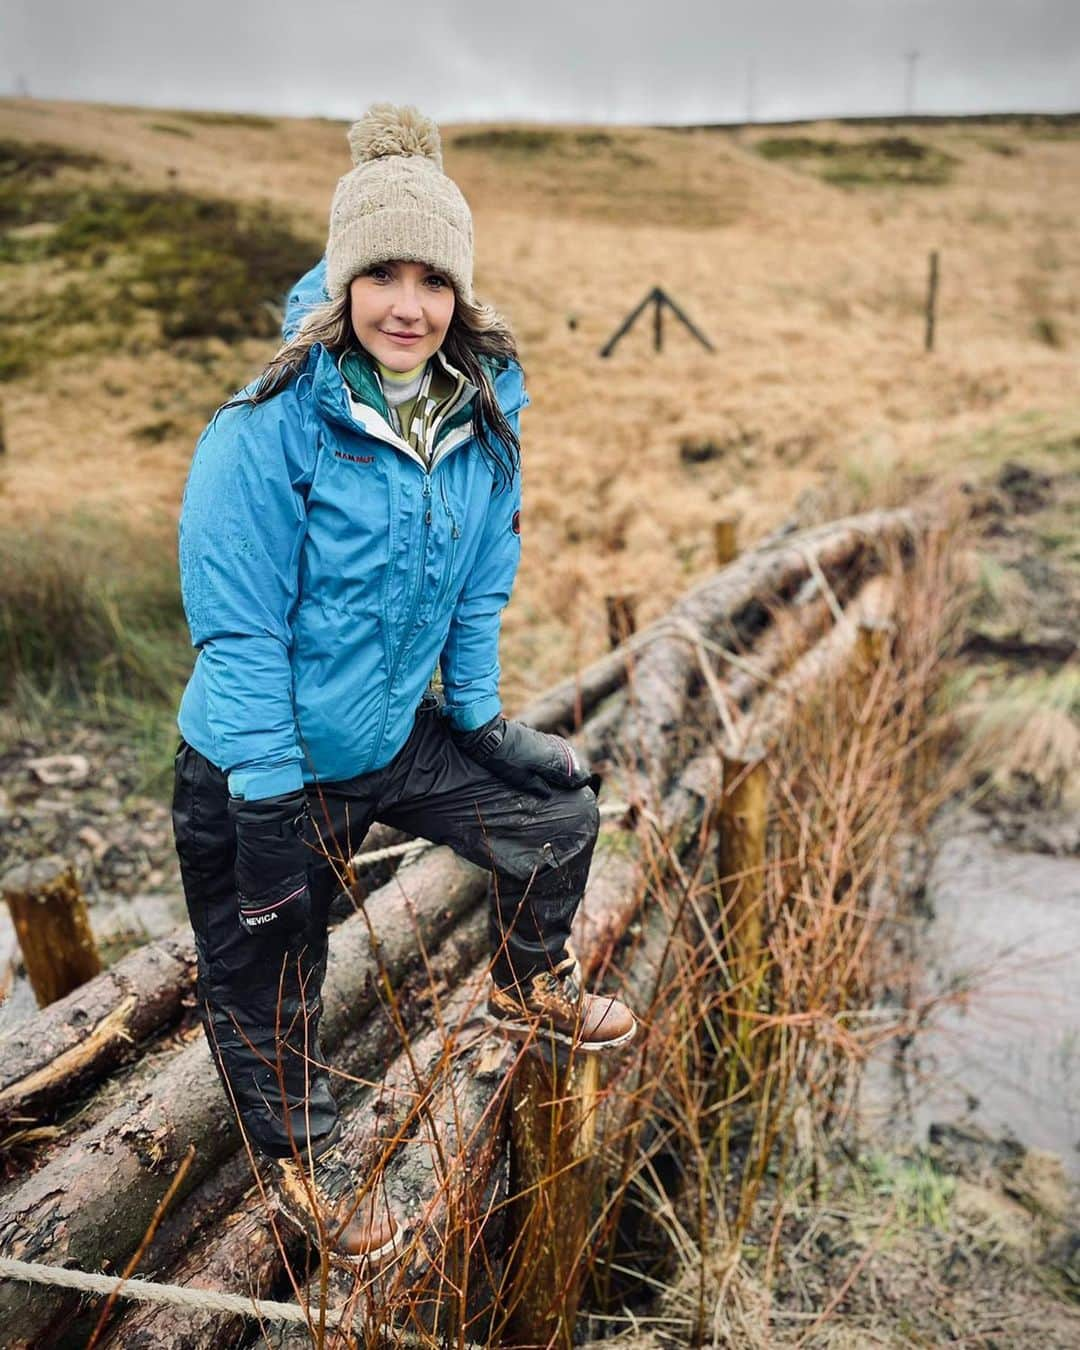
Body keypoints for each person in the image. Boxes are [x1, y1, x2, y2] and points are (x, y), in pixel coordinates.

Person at [170, 104, 637, 1264]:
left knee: (558, 818)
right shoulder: (272, 423)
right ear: (343, 280)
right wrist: (268, 797)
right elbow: (237, 632)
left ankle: (529, 985)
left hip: (392, 738)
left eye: (433, 278)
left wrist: (478, 719)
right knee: (274, 974)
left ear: (460, 293)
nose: (407, 304)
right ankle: (298, 1173)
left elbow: (481, 581)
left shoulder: (480, 412)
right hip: (256, 760)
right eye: (381, 272)